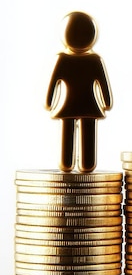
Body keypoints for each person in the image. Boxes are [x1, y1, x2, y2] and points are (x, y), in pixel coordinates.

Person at [46, 11, 112, 172]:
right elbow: (102, 84)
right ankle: (80, 163)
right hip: (87, 104)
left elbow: (54, 83)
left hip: (70, 104)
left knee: (71, 131)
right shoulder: (91, 60)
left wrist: (49, 102)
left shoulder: (68, 59)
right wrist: (106, 102)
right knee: (82, 131)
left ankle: (71, 163)